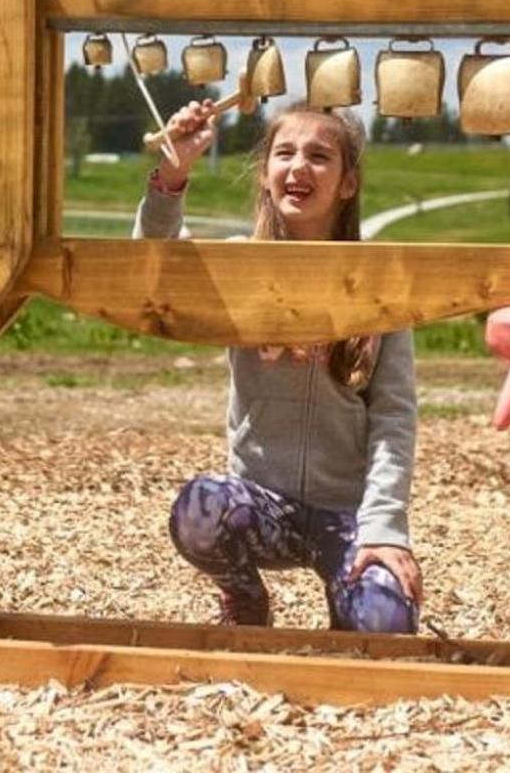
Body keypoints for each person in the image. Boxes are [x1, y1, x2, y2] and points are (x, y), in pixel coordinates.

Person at [134, 99, 421, 632]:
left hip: (347, 514)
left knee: (385, 626)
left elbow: (394, 417)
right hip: (262, 506)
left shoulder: (380, 284)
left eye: (319, 156)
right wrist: (173, 172)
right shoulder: (239, 265)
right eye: (284, 153)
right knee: (199, 509)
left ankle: (350, 616)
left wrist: (385, 529)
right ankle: (245, 600)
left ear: (347, 183)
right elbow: (151, 265)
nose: (298, 167)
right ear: (265, 176)